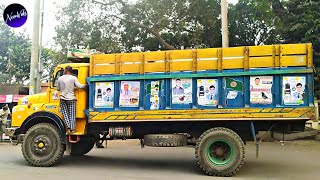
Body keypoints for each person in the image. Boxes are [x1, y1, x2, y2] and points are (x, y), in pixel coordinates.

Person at [57, 66, 87, 135]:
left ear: (65, 70)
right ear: (71, 71)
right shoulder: (73, 78)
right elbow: (79, 86)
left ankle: (68, 129)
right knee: (72, 114)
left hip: (62, 99)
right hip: (72, 99)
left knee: (65, 114)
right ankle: (73, 129)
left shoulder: (60, 78)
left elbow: (58, 89)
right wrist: (86, 86)